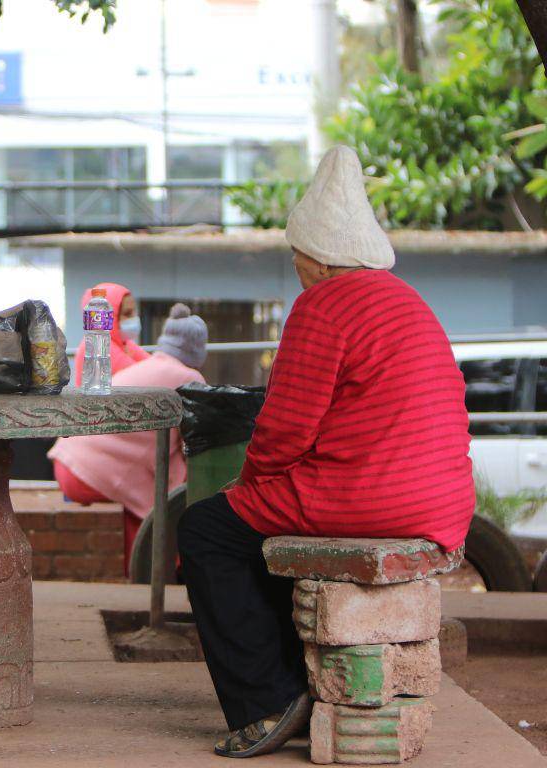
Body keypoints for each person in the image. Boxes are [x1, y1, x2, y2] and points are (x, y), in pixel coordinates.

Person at [177, 146, 474, 758]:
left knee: (207, 529)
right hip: (442, 503)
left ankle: (265, 703)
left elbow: (284, 431)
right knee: (248, 533)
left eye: (296, 258)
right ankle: (300, 683)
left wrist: (248, 486)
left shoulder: (324, 304)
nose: (296, 269)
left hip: (371, 496)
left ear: (315, 258)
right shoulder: (407, 301)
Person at [50, 303, 207, 571]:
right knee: (170, 495)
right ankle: (163, 571)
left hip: (67, 465)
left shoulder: (147, 364)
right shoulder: (190, 379)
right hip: (92, 475)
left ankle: (142, 573)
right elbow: (195, 445)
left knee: (146, 497)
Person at [73, 282, 149, 386]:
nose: (134, 318)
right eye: (127, 313)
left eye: (134, 312)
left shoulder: (123, 343)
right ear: (109, 316)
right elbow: (146, 377)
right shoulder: (98, 345)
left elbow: (152, 365)